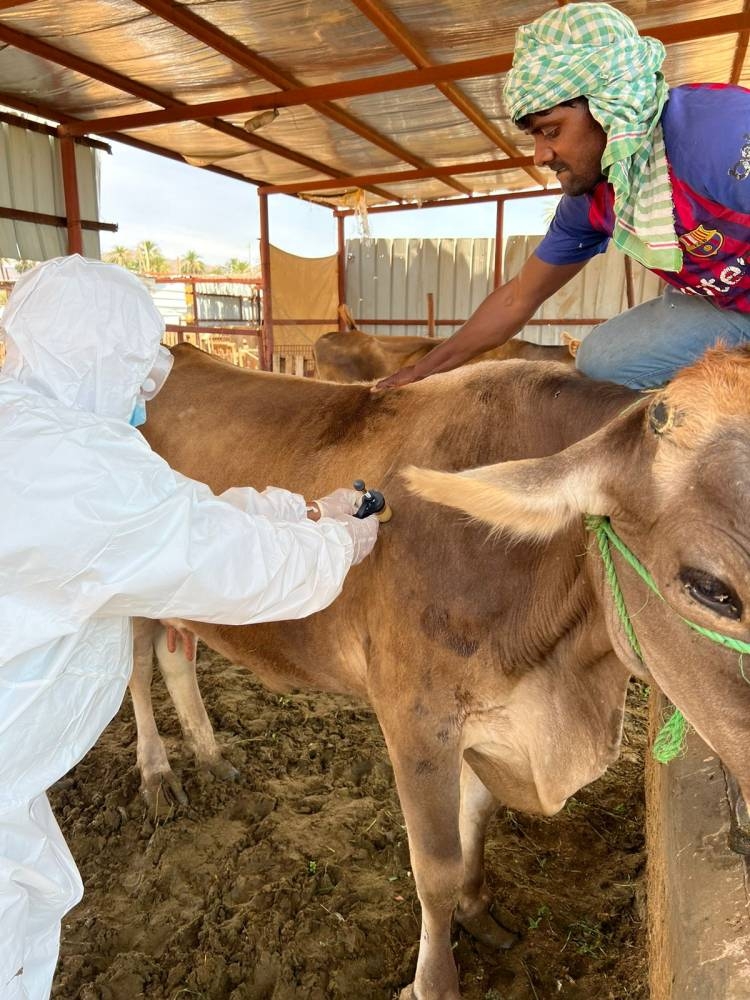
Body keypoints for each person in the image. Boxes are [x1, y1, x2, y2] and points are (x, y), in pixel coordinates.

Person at [0, 255, 379, 999]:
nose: (145, 393)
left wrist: (299, 511)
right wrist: (338, 542)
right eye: (139, 368)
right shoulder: (76, 467)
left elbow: (176, 521)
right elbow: (220, 564)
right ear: (105, 358)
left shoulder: (35, 433)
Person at [375, 2, 750, 393]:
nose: (539, 156)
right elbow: (518, 298)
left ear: (611, 106)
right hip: (723, 307)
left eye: (551, 131)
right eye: (535, 137)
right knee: (599, 360)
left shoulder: (719, 133)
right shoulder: (592, 199)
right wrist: (422, 370)